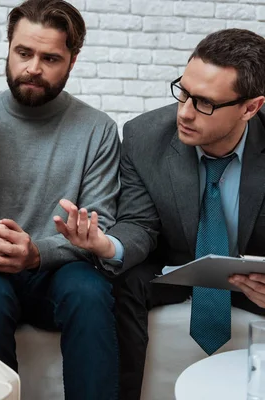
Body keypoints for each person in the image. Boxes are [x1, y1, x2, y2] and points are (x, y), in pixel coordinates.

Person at [55, 28, 265, 400]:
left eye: (205, 103)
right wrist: (107, 245)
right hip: (179, 264)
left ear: (250, 107)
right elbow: (140, 223)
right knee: (119, 281)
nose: (184, 112)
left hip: (255, 274)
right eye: (183, 92)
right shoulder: (144, 135)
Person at [0, 1, 121, 399]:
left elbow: (100, 226)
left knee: (89, 291)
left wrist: (35, 253)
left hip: (59, 270)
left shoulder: (98, 130)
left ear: (73, 61)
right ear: (8, 48)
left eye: (51, 58)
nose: (33, 68)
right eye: (23, 53)